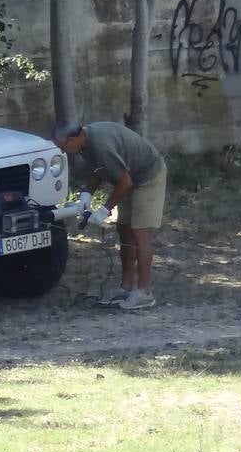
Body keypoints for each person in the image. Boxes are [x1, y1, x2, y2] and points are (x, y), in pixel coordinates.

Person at [52, 119, 167, 311]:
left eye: (64, 147)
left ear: (73, 138)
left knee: (139, 233)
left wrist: (104, 210)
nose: (64, 151)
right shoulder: (85, 144)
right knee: (124, 230)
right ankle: (126, 287)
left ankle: (145, 292)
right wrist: (87, 193)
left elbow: (125, 182)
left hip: (148, 176)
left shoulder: (100, 144)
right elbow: (100, 169)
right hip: (130, 177)